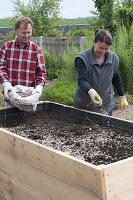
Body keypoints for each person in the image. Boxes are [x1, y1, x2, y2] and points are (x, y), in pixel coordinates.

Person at [73, 29, 128, 115]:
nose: (103, 52)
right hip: (84, 106)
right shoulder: (82, 59)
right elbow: (82, 80)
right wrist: (91, 92)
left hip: (106, 105)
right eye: (100, 48)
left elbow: (115, 76)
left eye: (106, 49)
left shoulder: (113, 58)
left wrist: (122, 96)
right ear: (93, 42)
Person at [0, 16, 47, 111]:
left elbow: (41, 73)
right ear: (16, 31)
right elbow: (1, 68)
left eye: (29, 32)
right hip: (10, 96)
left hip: (29, 99)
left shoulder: (36, 50)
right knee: (10, 122)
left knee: (29, 124)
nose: (26, 35)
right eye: (23, 32)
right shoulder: (6, 47)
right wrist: (6, 84)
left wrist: (38, 88)